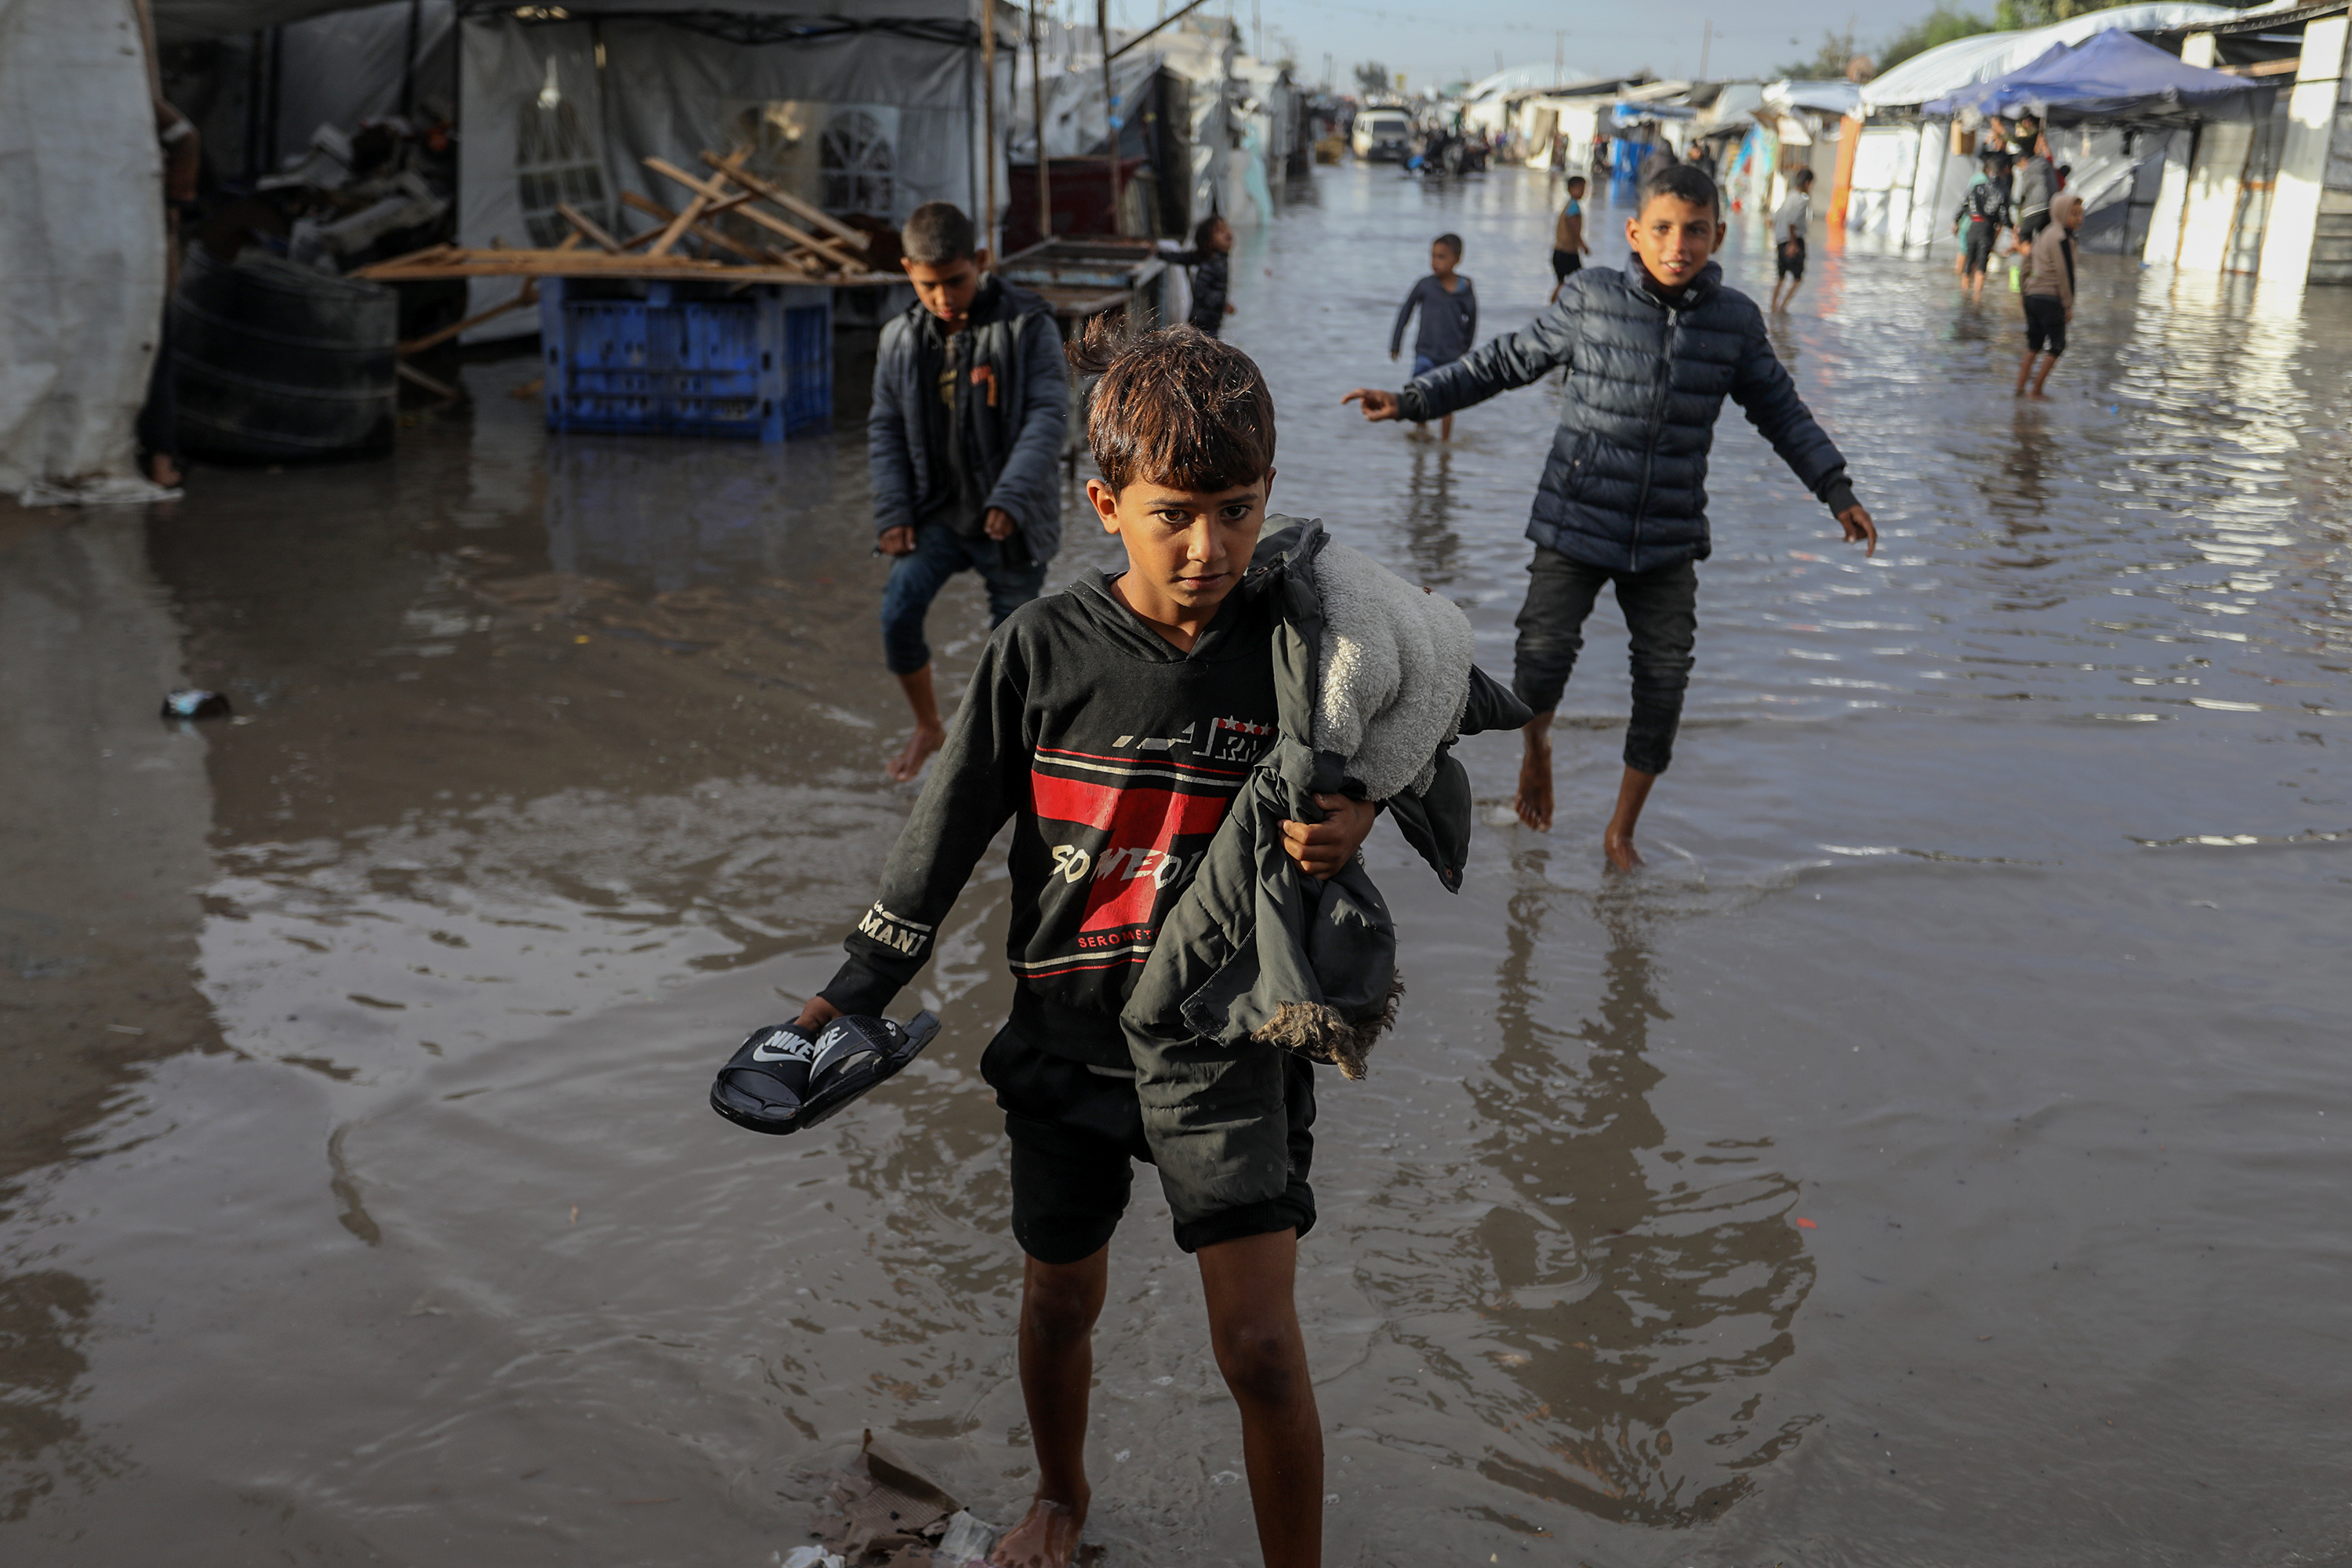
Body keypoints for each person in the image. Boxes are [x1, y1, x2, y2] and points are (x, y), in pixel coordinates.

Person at [798, 324, 1381, 1568]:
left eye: (1236, 510)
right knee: (1060, 1296)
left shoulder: (1300, 645)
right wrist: (854, 989)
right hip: (1065, 1039)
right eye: (1174, 514)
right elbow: (941, 838)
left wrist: (1361, 810)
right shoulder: (1037, 654)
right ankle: (1060, 1495)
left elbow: (1410, 728)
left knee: (1263, 1348)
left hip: (1229, 1047)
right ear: (1105, 502)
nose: (1210, 547)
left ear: (1269, 495)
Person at [1343, 162, 1877, 870]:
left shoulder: (1736, 324)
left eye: (1694, 230)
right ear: (1634, 232)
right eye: (1662, 228)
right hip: (1572, 522)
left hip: (1668, 539)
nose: (1677, 244)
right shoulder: (1592, 298)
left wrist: (1835, 488)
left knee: (1663, 686)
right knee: (1536, 672)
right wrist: (1413, 398)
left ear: (1718, 234)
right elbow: (1503, 362)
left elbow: (1782, 411)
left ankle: (1620, 832)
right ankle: (1538, 751)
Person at [868, 202, 1069, 783]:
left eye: (955, 281)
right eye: (928, 285)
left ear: (980, 262)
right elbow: (884, 427)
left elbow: (1048, 417)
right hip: (935, 515)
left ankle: (1000, 761)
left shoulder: (1029, 326)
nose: (943, 298)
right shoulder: (900, 338)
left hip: (1012, 521)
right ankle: (930, 726)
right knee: (897, 615)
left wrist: (1010, 497)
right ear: (908, 270)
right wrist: (893, 511)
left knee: (1012, 654)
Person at [1388, 232, 1476, 441]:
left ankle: (1445, 445)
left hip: (1451, 355)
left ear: (1457, 259)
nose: (1435, 262)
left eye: (1441, 257)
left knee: (1448, 400)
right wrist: (1396, 342)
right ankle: (1421, 434)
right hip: (1425, 353)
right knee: (1420, 393)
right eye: (1433, 256)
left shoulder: (1465, 288)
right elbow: (1405, 311)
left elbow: (1472, 319)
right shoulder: (1425, 285)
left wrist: (1466, 348)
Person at [2015, 191, 2082, 400]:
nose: (2079, 219)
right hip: (2050, 298)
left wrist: (2024, 289)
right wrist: (2068, 304)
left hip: (2032, 297)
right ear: (2062, 214)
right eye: (2074, 215)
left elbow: (2027, 262)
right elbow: (2065, 273)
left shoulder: (2045, 233)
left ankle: (2019, 390)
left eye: (2081, 214)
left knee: (2034, 345)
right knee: (2058, 345)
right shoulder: (2063, 238)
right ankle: (2036, 390)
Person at [1167, 212, 1236, 337]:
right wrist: (1221, 303)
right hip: (1205, 320)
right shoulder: (1213, 262)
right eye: (1220, 231)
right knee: (1205, 346)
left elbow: (1184, 258)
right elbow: (1201, 290)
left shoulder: (1213, 258)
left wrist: (1164, 255)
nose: (1227, 233)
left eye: (1226, 228)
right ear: (1208, 242)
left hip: (1206, 319)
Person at [1953, 155, 2009, 301]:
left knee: (1968, 259)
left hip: (1973, 226)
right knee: (1981, 266)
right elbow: (2004, 218)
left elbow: (1964, 206)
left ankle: (1963, 295)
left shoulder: (1977, 187)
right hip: (1988, 229)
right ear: (2003, 171)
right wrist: (2013, 228)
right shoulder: (2003, 191)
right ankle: (1977, 300)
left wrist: (1956, 221)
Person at [1767, 167, 1813, 313]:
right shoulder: (1802, 200)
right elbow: (1793, 222)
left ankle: (1773, 308)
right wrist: (1792, 243)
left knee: (1780, 277)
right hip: (1793, 241)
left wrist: (1781, 239)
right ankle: (1782, 308)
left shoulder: (1789, 197)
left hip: (1780, 241)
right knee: (1797, 278)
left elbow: (1771, 221)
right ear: (1807, 183)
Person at [1550, 175, 1592, 303]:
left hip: (1559, 251)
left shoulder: (1568, 205)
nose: (1584, 192)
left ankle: (1553, 306)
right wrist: (1583, 245)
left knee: (1563, 282)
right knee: (1581, 281)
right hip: (1567, 253)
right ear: (1571, 189)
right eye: (1581, 188)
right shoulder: (1574, 208)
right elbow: (1574, 229)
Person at [2012, 129, 2056, 249]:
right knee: (2044, 237)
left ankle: (2028, 263)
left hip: (2033, 209)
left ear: (2022, 160)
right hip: (2050, 208)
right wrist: (2044, 145)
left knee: (2024, 236)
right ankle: (2042, 263)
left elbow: (2020, 197)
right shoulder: (2048, 165)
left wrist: (2017, 223)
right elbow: (2049, 157)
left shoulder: (2027, 170)